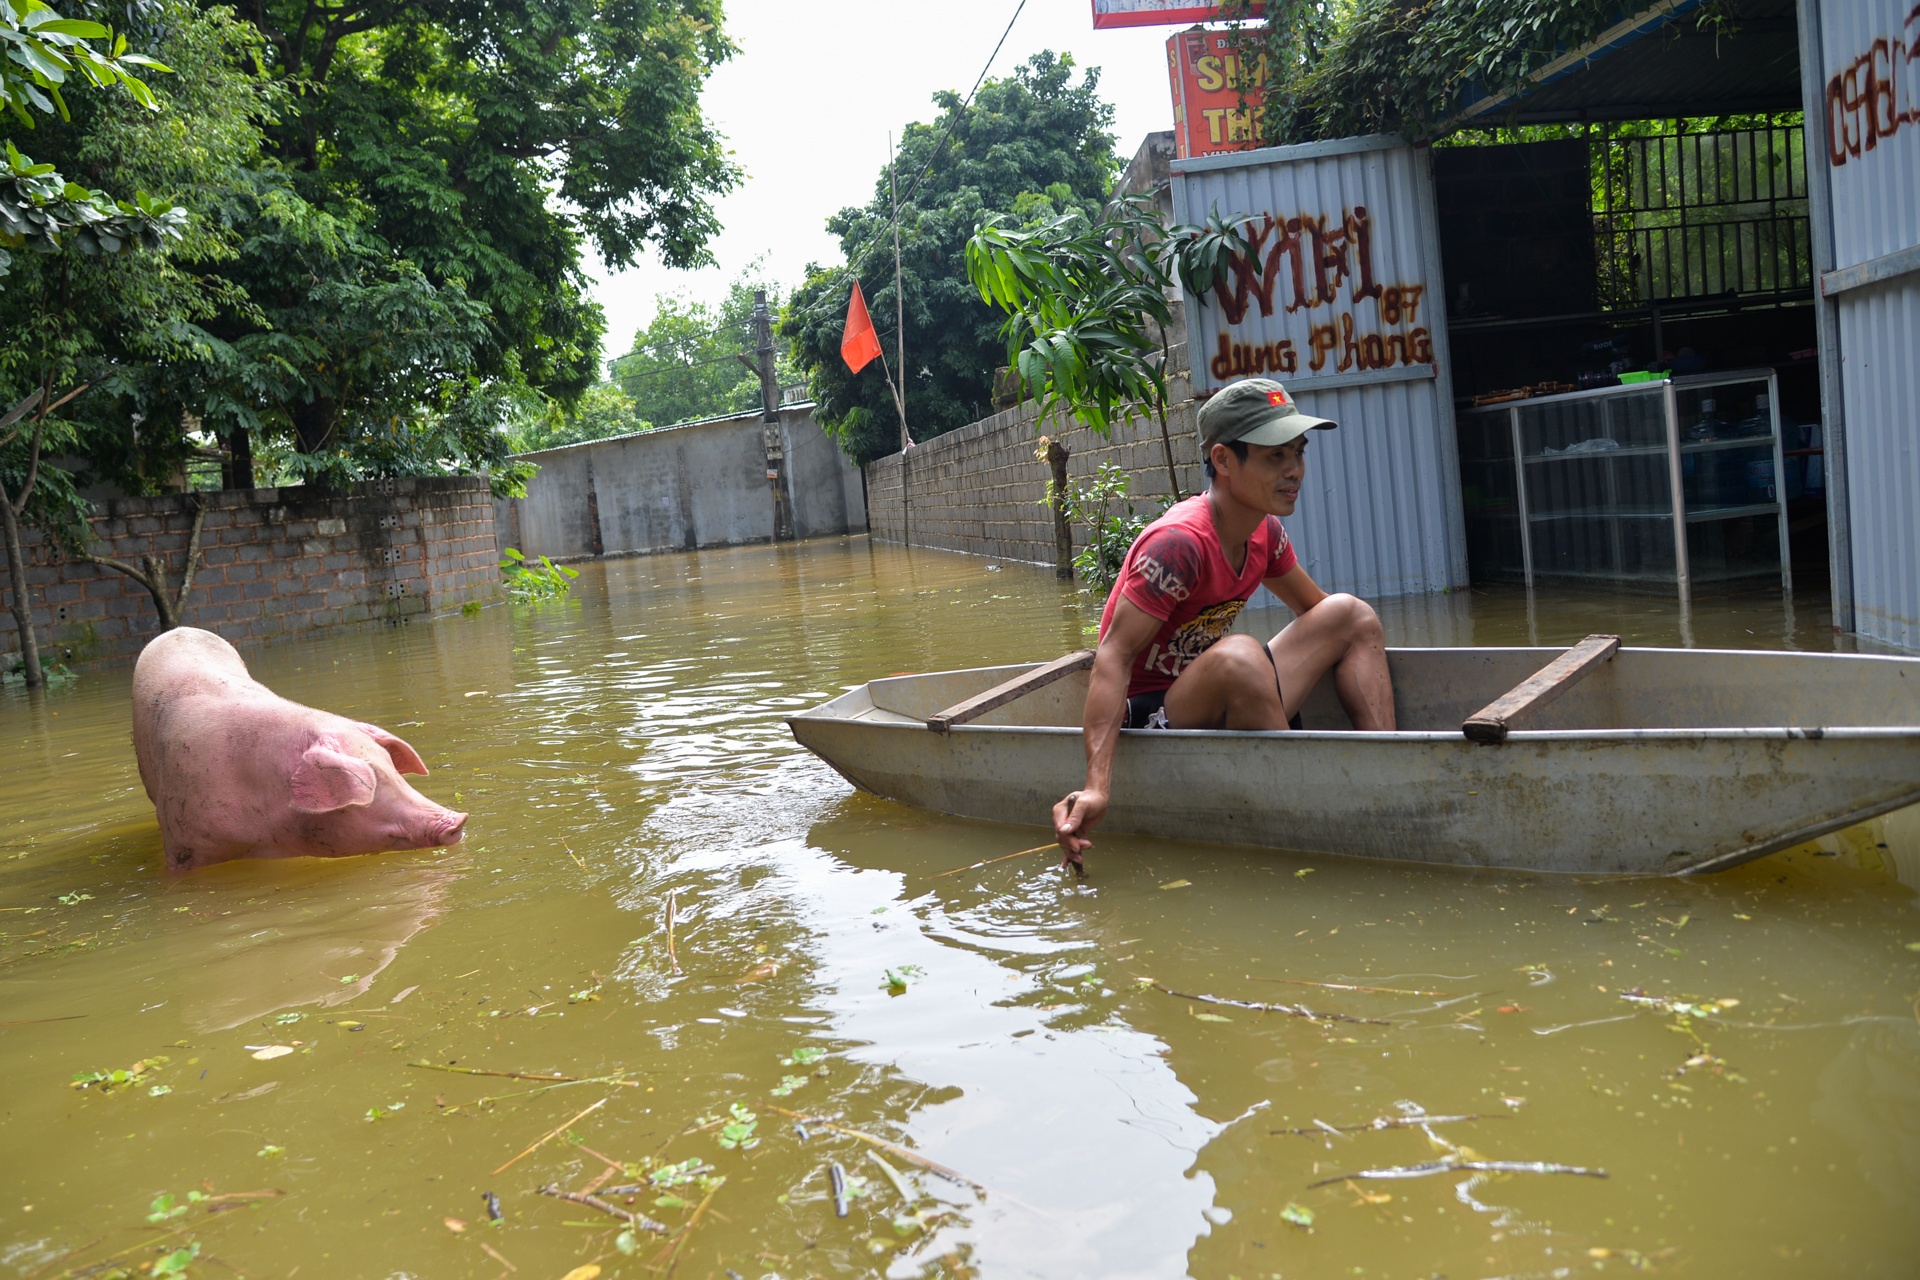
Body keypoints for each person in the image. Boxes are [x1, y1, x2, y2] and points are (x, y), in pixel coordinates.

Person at [1052, 377, 1397, 865]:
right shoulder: (1179, 545)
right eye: (1275, 456)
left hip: (1224, 691)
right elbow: (1113, 656)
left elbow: (1321, 622)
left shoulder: (1264, 533)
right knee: (1240, 656)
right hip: (1155, 713)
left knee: (1350, 615)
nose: (1294, 470)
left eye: (1298, 453)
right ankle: (1308, 816)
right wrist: (1096, 786)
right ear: (1223, 461)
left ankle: (1388, 775)